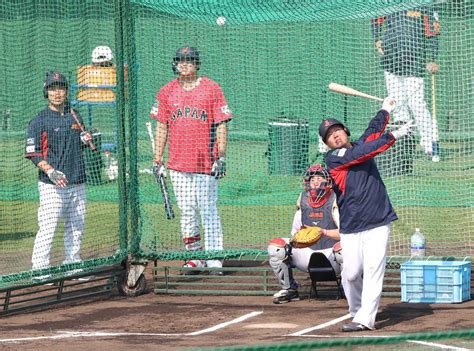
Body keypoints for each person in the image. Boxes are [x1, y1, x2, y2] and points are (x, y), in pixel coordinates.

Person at [319, 97, 411, 332]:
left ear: (345, 131)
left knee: (373, 270)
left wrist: (386, 107)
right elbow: (366, 151)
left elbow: (373, 130)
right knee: (350, 274)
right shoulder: (334, 159)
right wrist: (394, 136)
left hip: (378, 220)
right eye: (330, 135)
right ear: (328, 144)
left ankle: (365, 318)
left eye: (338, 130)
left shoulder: (360, 145)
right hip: (351, 225)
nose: (336, 135)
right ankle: (356, 310)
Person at [149, 45, 232, 273]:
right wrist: (157, 159)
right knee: (187, 210)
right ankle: (194, 255)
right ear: (175, 64)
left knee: (208, 210)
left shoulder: (211, 88)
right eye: (181, 60)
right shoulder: (166, 91)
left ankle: (214, 257)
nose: (184, 64)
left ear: (197, 64)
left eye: (189, 60)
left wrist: (221, 155)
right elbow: (161, 126)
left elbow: (221, 123)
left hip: (205, 162)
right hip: (177, 164)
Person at [25, 71, 92, 279]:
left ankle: (73, 264)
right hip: (51, 185)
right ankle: (40, 269)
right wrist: (50, 170)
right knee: (48, 227)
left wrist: (86, 138)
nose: (57, 92)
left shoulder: (75, 115)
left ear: (66, 91)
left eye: (60, 88)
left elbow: (85, 143)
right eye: (53, 88)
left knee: (76, 227)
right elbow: (32, 153)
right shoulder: (39, 120)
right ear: (46, 92)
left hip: (77, 180)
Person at [372, 7, 441, 162]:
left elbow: (433, 32)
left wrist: (433, 58)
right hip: (391, 61)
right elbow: (376, 19)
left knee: (417, 105)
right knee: (398, 106)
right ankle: (404, 147)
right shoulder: (388, 3)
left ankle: (429, 144)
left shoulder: (425, 5)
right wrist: (377, 39)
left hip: (414, 63)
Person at [268, 164, 342, 304]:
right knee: (276, 247)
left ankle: (349, 286)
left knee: (343, 249)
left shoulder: (335, 200)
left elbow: (345, 233)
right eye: (313, 179)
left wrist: (323, 232)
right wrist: (300, 239)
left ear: (328, 181)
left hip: (332, 256)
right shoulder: (302, 201)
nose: (315, 182)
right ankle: (289, 289)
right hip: (306, 255)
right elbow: (294, 234)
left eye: (319, 178)